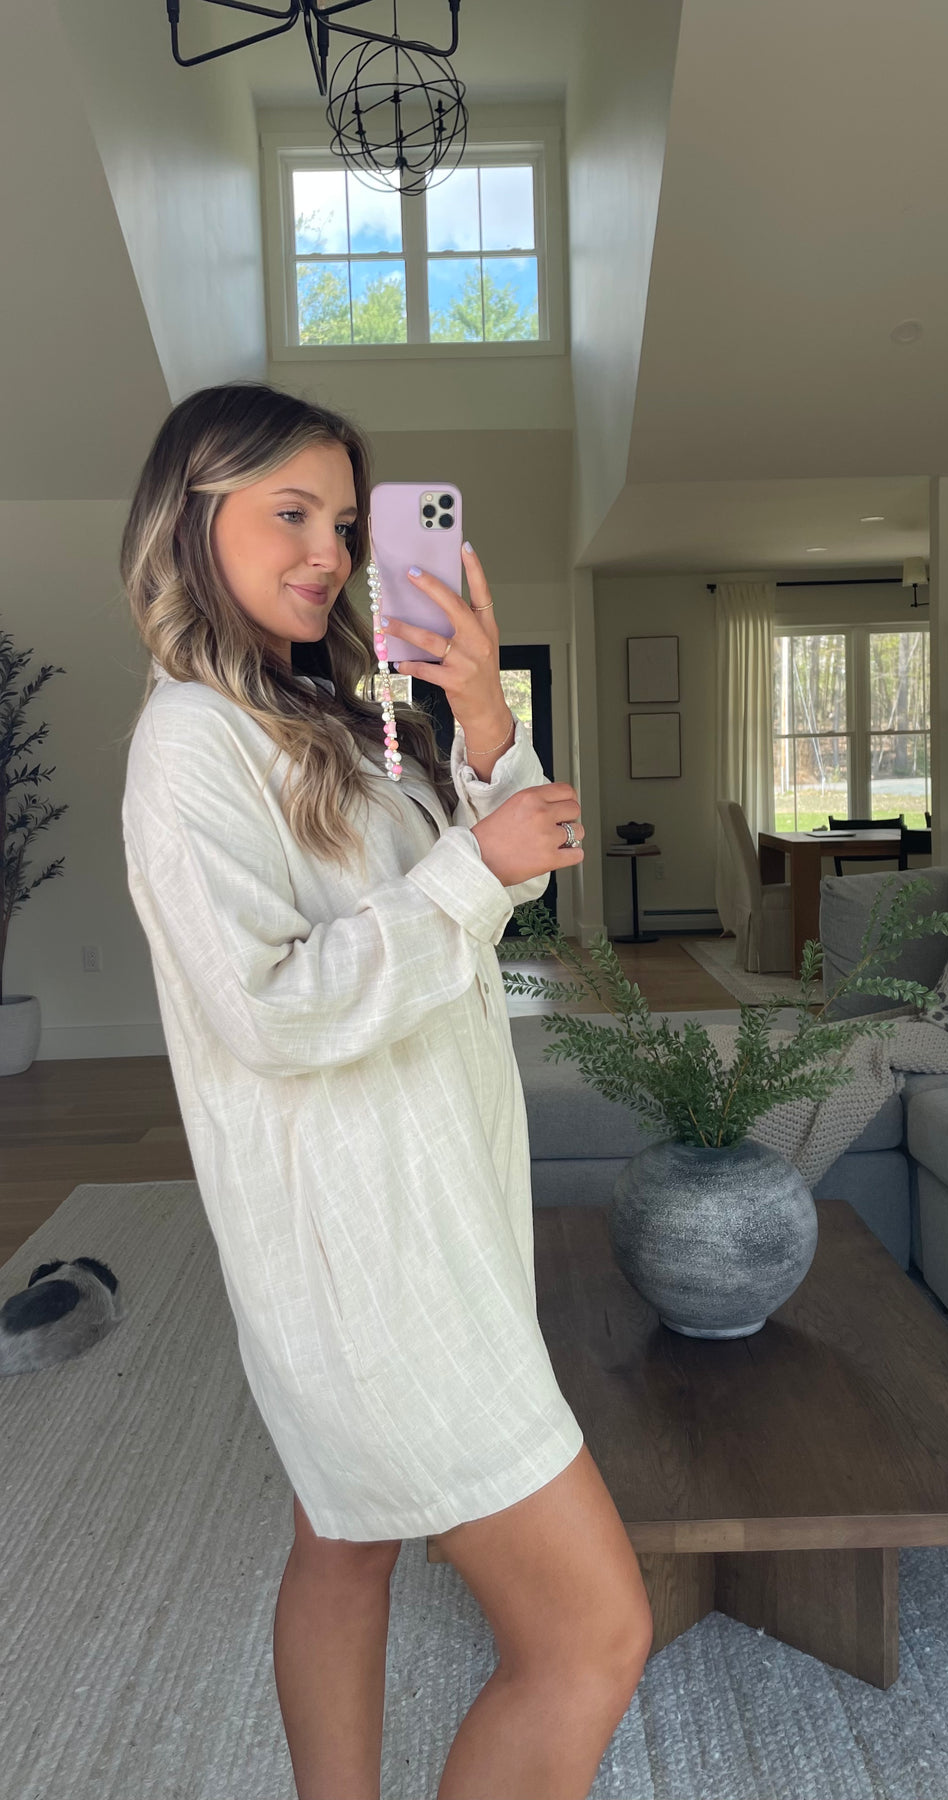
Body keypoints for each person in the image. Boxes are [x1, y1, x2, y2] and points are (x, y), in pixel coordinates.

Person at [119, 380, 652, 1800]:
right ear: (190, 517)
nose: (330, 554)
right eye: (288, 513)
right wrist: (474, 868)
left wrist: (482, 712)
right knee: (593, 1636)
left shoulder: (339, 715)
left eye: (346, 525)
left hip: (429, 1196)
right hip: (371, 1249)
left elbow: (505, 879)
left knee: (343, 1542)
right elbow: (270, 1010)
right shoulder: (191, 742)